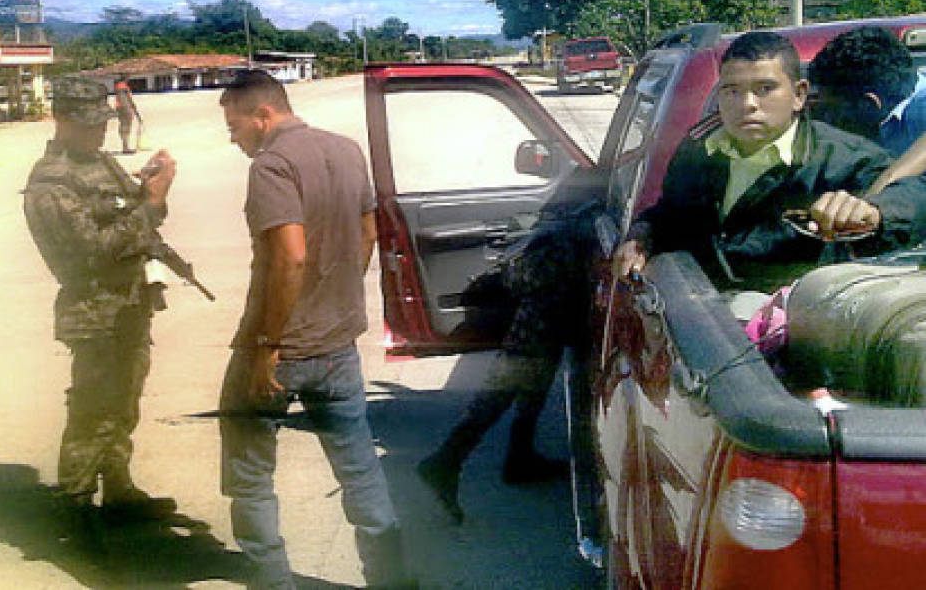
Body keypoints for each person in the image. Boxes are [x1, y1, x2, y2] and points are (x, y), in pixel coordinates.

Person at [217, 69, 412, 590]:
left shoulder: (272, 166)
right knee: (359, 469)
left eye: (235, 126)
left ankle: (273, 581)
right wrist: (338, 291)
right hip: (338, 346)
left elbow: (290, 257)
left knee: (250, 477)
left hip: (281, 348)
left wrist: (268, 346)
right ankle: (391, 580)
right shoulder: (346, 149)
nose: (233, 138)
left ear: (263, 115)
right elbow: (369, 231)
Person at [611, 31, 926, 292]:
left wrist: (874, 211)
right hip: (700, 329)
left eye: (765, 89)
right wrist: (641, 236)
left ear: (799, 95)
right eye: (732, 91)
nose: (747, 105)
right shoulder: (699, 151)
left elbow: (913, 197)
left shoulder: (842, 159)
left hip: (781, 347)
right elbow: (669, 212)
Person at [23, 74, 177, 544]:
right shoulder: (51, 183)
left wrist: (146, 191)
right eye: (88, 124)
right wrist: (151, 204)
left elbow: (132, 216)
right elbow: (93, 250)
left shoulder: (101, 163)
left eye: (102, 122)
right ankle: (74, 508)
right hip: (93, 312)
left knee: (124, 401)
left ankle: (119, 489)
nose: (99, 132)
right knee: (93, 411)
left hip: (128, 304)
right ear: (61, 118)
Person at [416, 199, 598, 525]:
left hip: (550, 301)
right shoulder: (577, 220)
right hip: (548, 302)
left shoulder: (579, 204)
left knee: (531, 380)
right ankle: (445, 461)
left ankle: (519, 458)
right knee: (506, 386)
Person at [806, 26, 926, 195]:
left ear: (868, 104)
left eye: (830, 111)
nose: (827, 121)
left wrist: (879, 191)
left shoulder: (920, 111)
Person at [114, 76, 140, 155]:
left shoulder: (120, 86)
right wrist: (129, 109)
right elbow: (125, 100)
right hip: (125, 108)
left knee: (124, 127)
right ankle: (125, 147)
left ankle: (125, 146)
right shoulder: (122, 87)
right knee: (125, 127)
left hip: (122, 108)